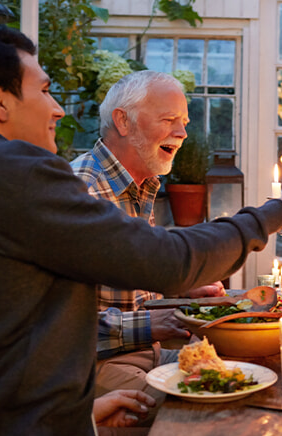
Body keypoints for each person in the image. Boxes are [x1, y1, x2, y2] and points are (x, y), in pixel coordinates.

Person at [0, 25, 282, 436]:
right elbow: (164, 258)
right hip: (32, 434)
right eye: (46, 91)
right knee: (244, 422)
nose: (57, 109)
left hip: (32, 419)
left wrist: (84, 413)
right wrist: (276, 214)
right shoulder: (19, 172)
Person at [70, 71, 223, 413]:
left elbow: (122, 282)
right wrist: (151, 323)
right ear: (123, 121)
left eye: (184, 121)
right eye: (169, 120)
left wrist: (182, 290)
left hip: (143, 352)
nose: (182, 133)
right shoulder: (82, 190)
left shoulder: (140, 184)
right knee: (203, 410)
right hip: (93, 366)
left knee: (239, 372)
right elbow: (57, 323)